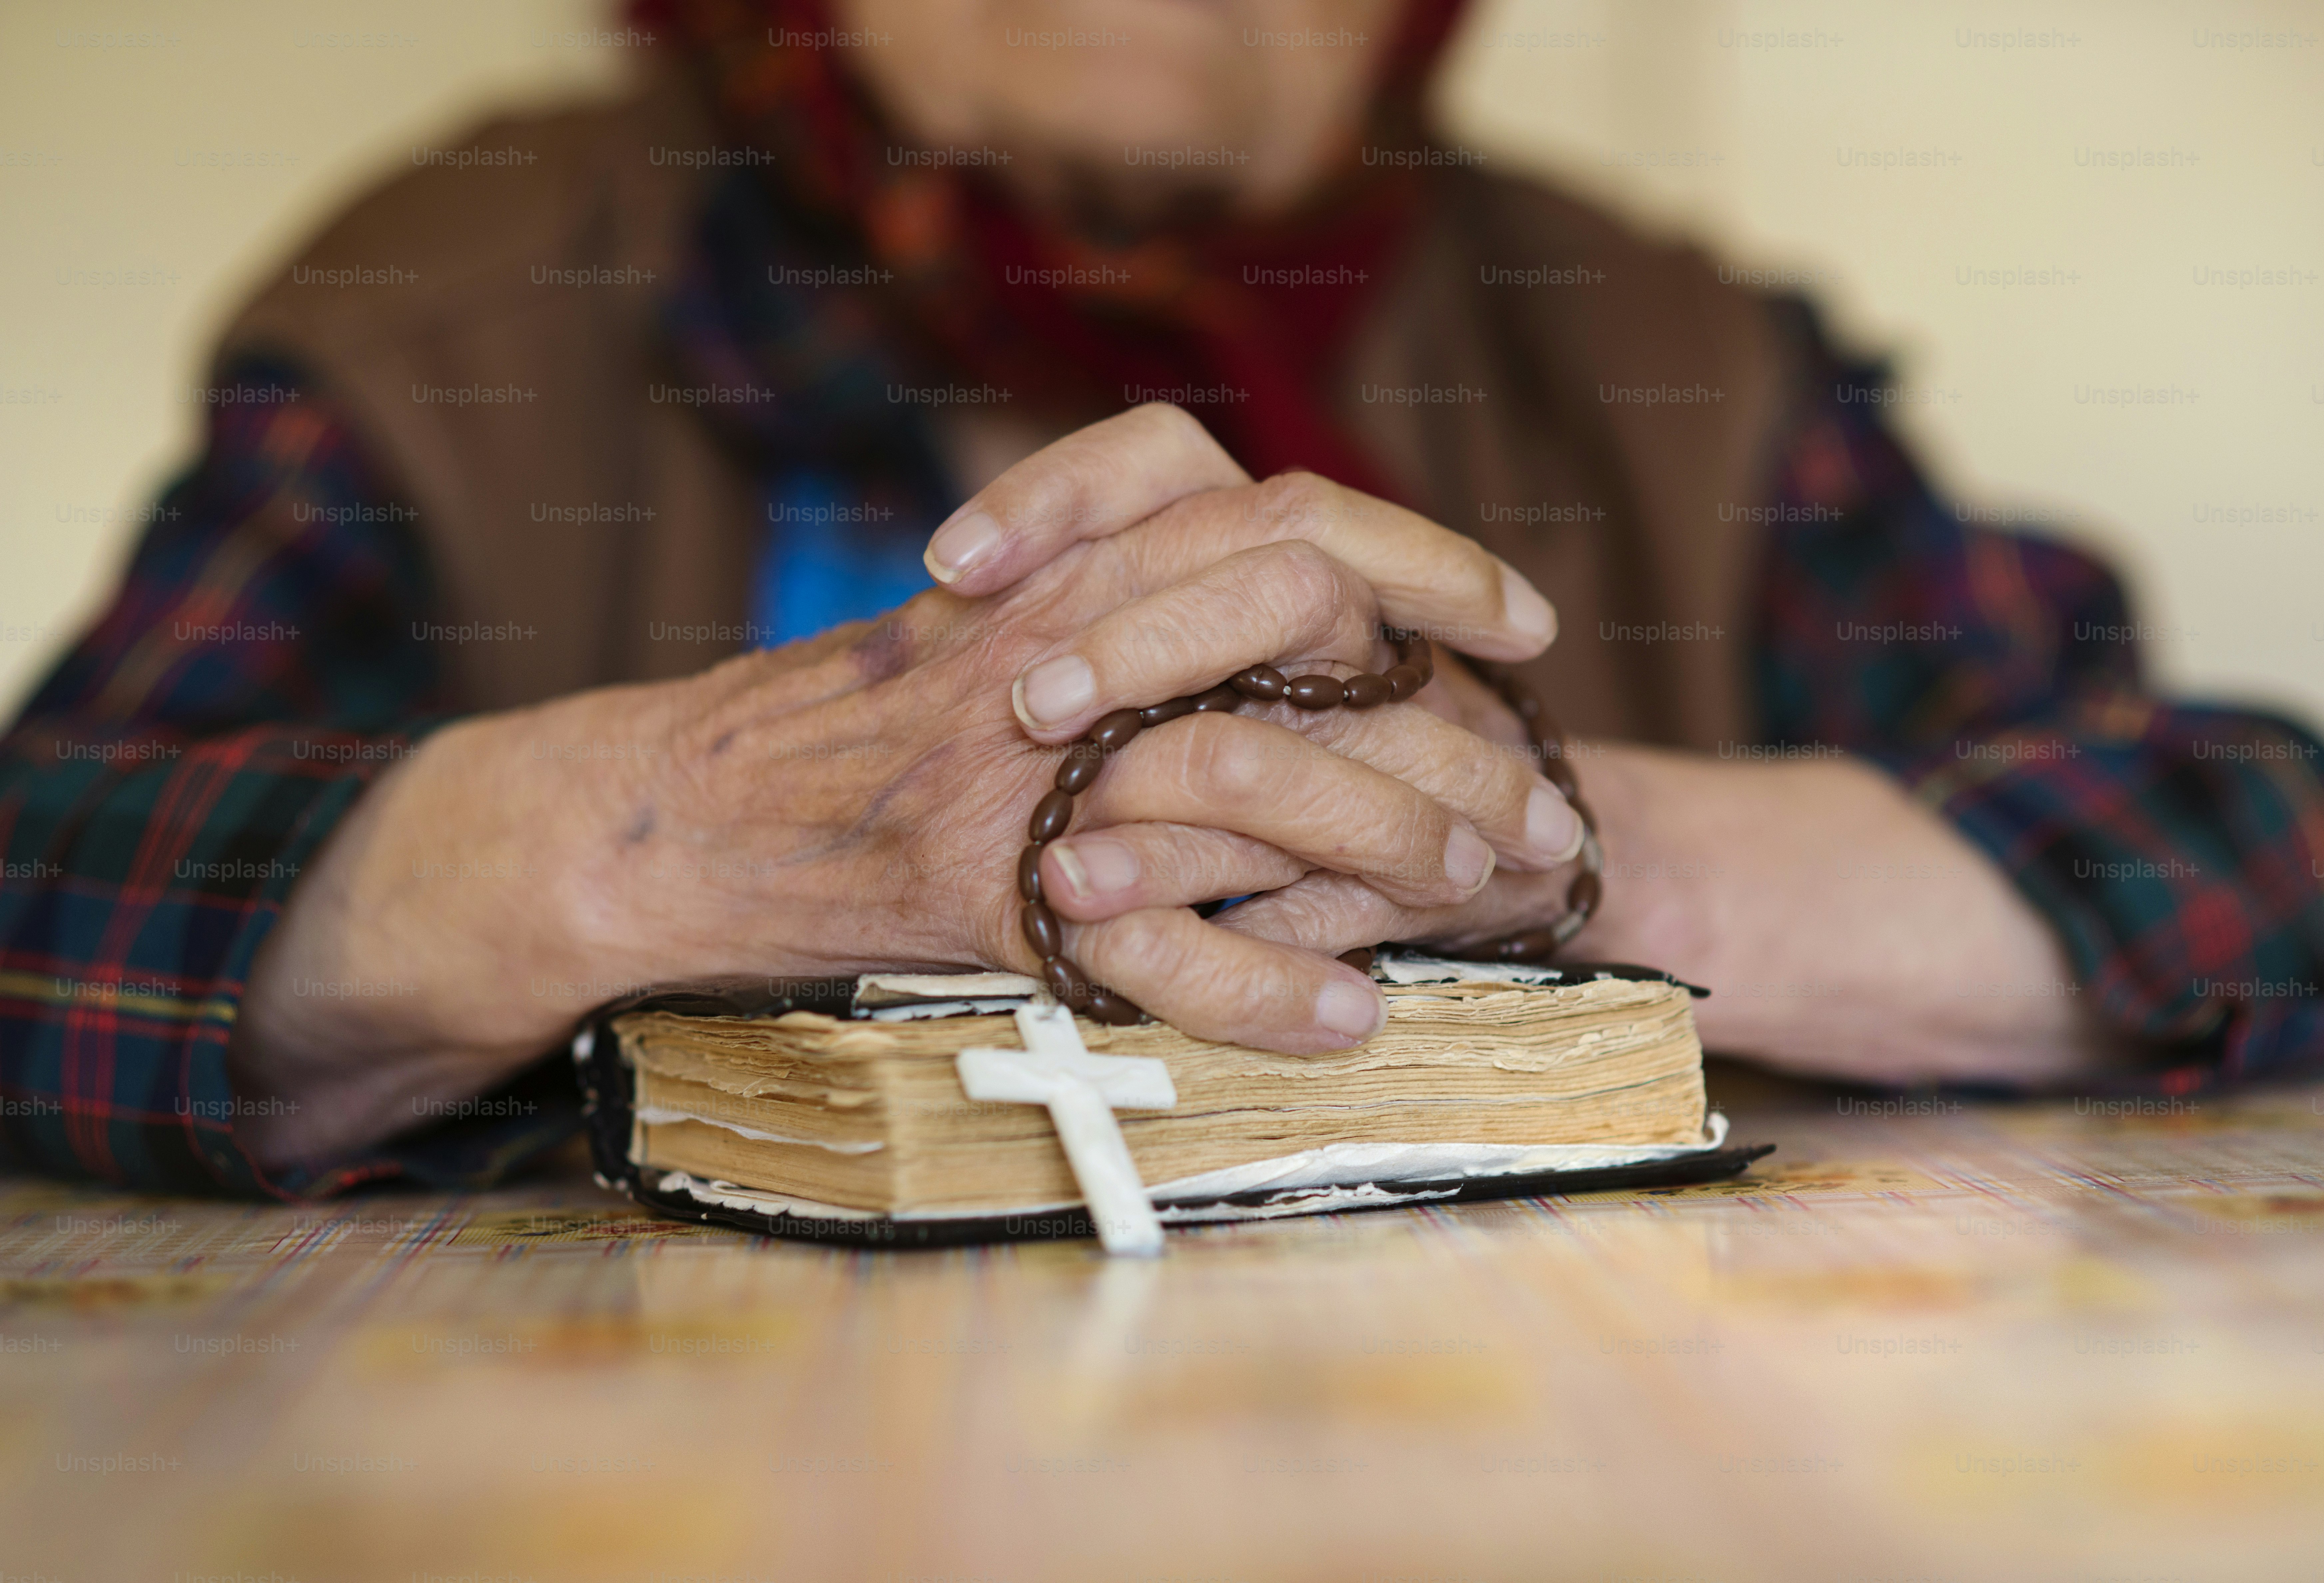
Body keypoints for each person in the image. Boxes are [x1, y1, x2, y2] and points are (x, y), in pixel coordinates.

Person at [2, 0, 2318, 1199]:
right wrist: (691, 830)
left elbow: (2238, 846)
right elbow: (45, 890)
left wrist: (1510, 848)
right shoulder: (455, 313)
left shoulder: (1657, 347)